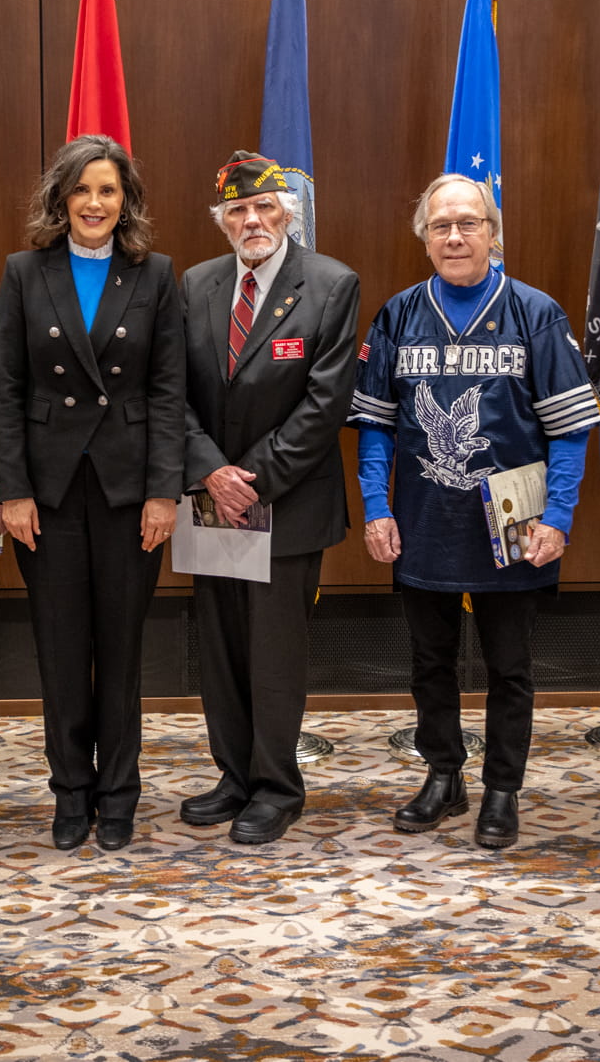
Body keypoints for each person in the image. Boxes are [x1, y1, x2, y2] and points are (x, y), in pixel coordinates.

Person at [350, 174, 600, 848]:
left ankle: (502, 787)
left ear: (493, 232)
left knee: (509, 666)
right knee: (429, 662)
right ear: (425, 238)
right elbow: (375, 427)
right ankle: (443, 774)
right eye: (441, 226)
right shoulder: (398, 315)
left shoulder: (535, 313)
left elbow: (569, 430)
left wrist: (559, 517)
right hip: (424, 518)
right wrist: (376, 507)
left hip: (514, 523)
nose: (455, 236)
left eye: (469, 223)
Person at [0, 135, 186, 852]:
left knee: (122, 650)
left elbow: (168, 391)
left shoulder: (156, 273)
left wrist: (165, 492)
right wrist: (13, 491)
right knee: (61, 649)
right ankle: (71, 792)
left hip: (129, 491)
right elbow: (6, 390)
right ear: (61, 198)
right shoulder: (24, 271)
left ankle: (119, 793)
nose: (94, 203)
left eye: (107, 190)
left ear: (125, 200)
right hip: (48, 492)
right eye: (81, 189)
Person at [176, 151, 360, 845]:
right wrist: (210, 472)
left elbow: (324, 406)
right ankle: (233, 775)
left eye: (264, 207)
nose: (251, 219)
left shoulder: (331, 284)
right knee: (221, 648)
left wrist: (244, 482)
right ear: (222, 222)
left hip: (286, 502)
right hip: (210, 498)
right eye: (237, 210)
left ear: (288, 213)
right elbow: (171, 391)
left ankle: (278, 787)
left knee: (273, 652)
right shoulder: (196, 284)